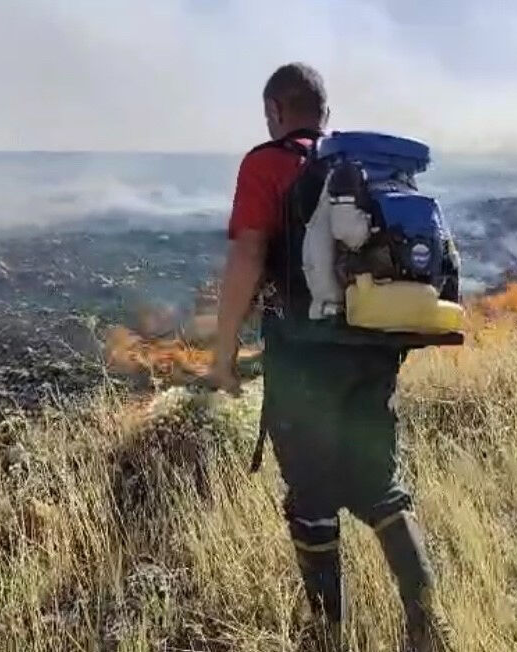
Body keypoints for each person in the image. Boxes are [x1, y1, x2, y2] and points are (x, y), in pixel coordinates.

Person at [208, 62, 453, 652]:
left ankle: (325, 637)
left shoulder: (266, 164)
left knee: (312, 499)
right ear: (325, 114)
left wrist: (222, 355)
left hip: (304, 357)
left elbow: (247, 257)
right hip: (374, 352)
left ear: (274, 110)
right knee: (382, 488)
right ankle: (427, 630)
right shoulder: (363, 172)